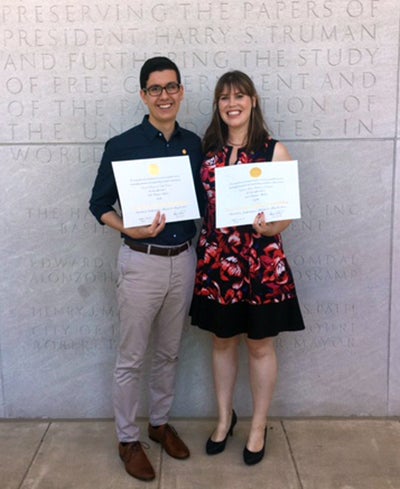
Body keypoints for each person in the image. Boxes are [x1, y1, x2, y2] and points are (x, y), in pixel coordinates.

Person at [89, 56, 203, 482]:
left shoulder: (193, 143)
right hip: (141, 262)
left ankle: (158, 424)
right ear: (143, 95)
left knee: (170, 351)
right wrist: (126, 225)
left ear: (181, 91)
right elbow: (98, 205)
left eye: (171, 86)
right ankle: (127, 438)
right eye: (155, 88)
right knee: (132, 356)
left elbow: (205, 201)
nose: (165, 95)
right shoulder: (121, 146)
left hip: (183, 260)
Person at [190, 70, 305, 466]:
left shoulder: (274, 150)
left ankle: (258, 425)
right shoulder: (206, 150)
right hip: (216, 264)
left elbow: (286, 214)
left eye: (239, 95)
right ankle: (224, 418)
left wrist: (271, 226)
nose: (231, 103)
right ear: (218, 106)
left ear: (253, 101)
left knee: (260, 345)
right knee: (221, 341)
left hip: (261, 267)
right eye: (224, 97)